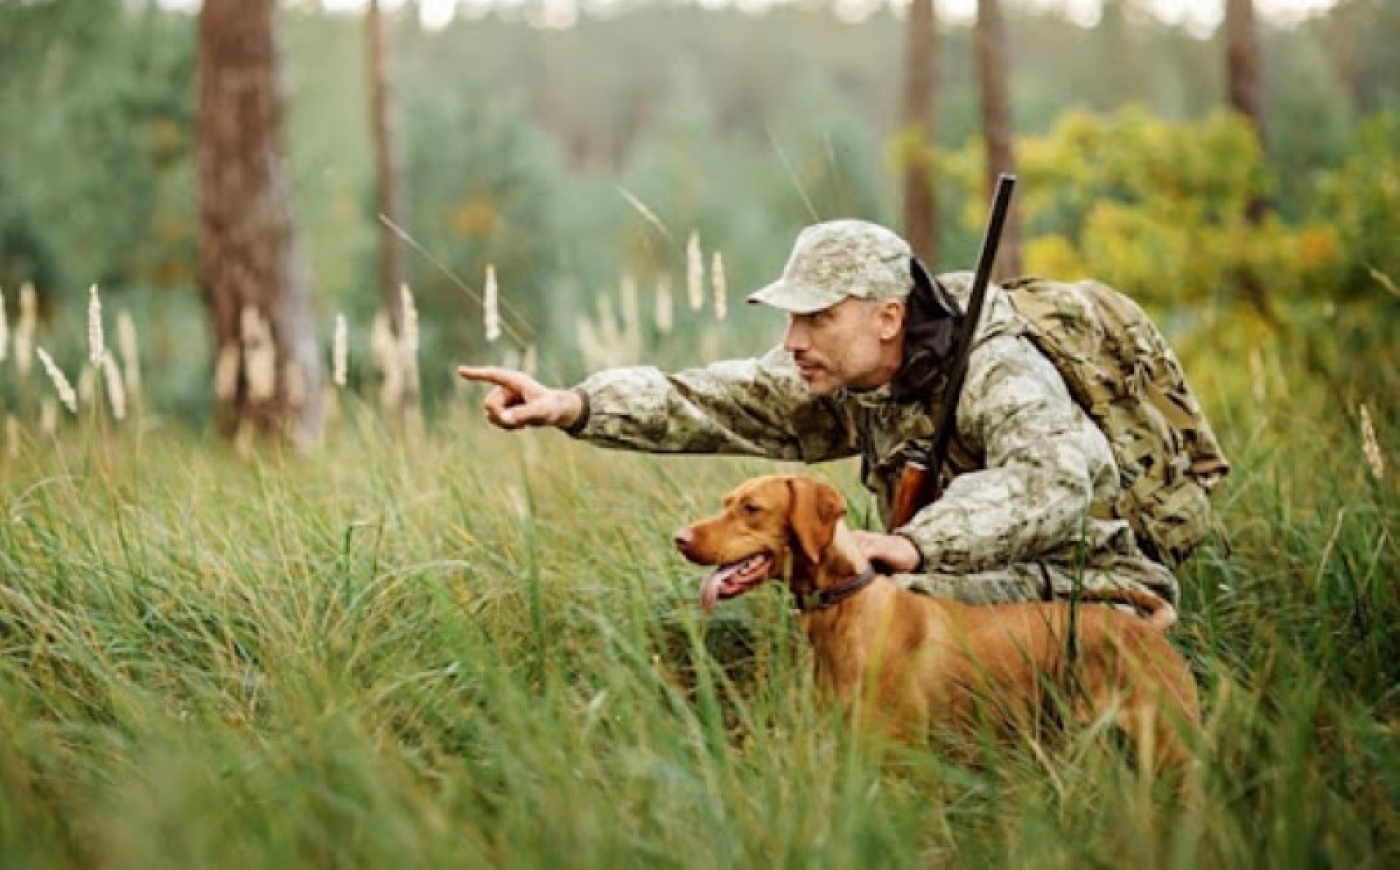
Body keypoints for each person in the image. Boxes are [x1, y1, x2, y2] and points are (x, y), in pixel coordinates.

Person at [457, 220, 1180, 606]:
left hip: (1096, 580)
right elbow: (711, 400)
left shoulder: (996, 366)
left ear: (889, 317)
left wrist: (913, 546)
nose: (793, 342)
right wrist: (573, 403)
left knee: (898, 597)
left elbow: (1053, 480)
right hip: (967, 582)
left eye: (818, 318)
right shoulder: (841, 372)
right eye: (791, 318)